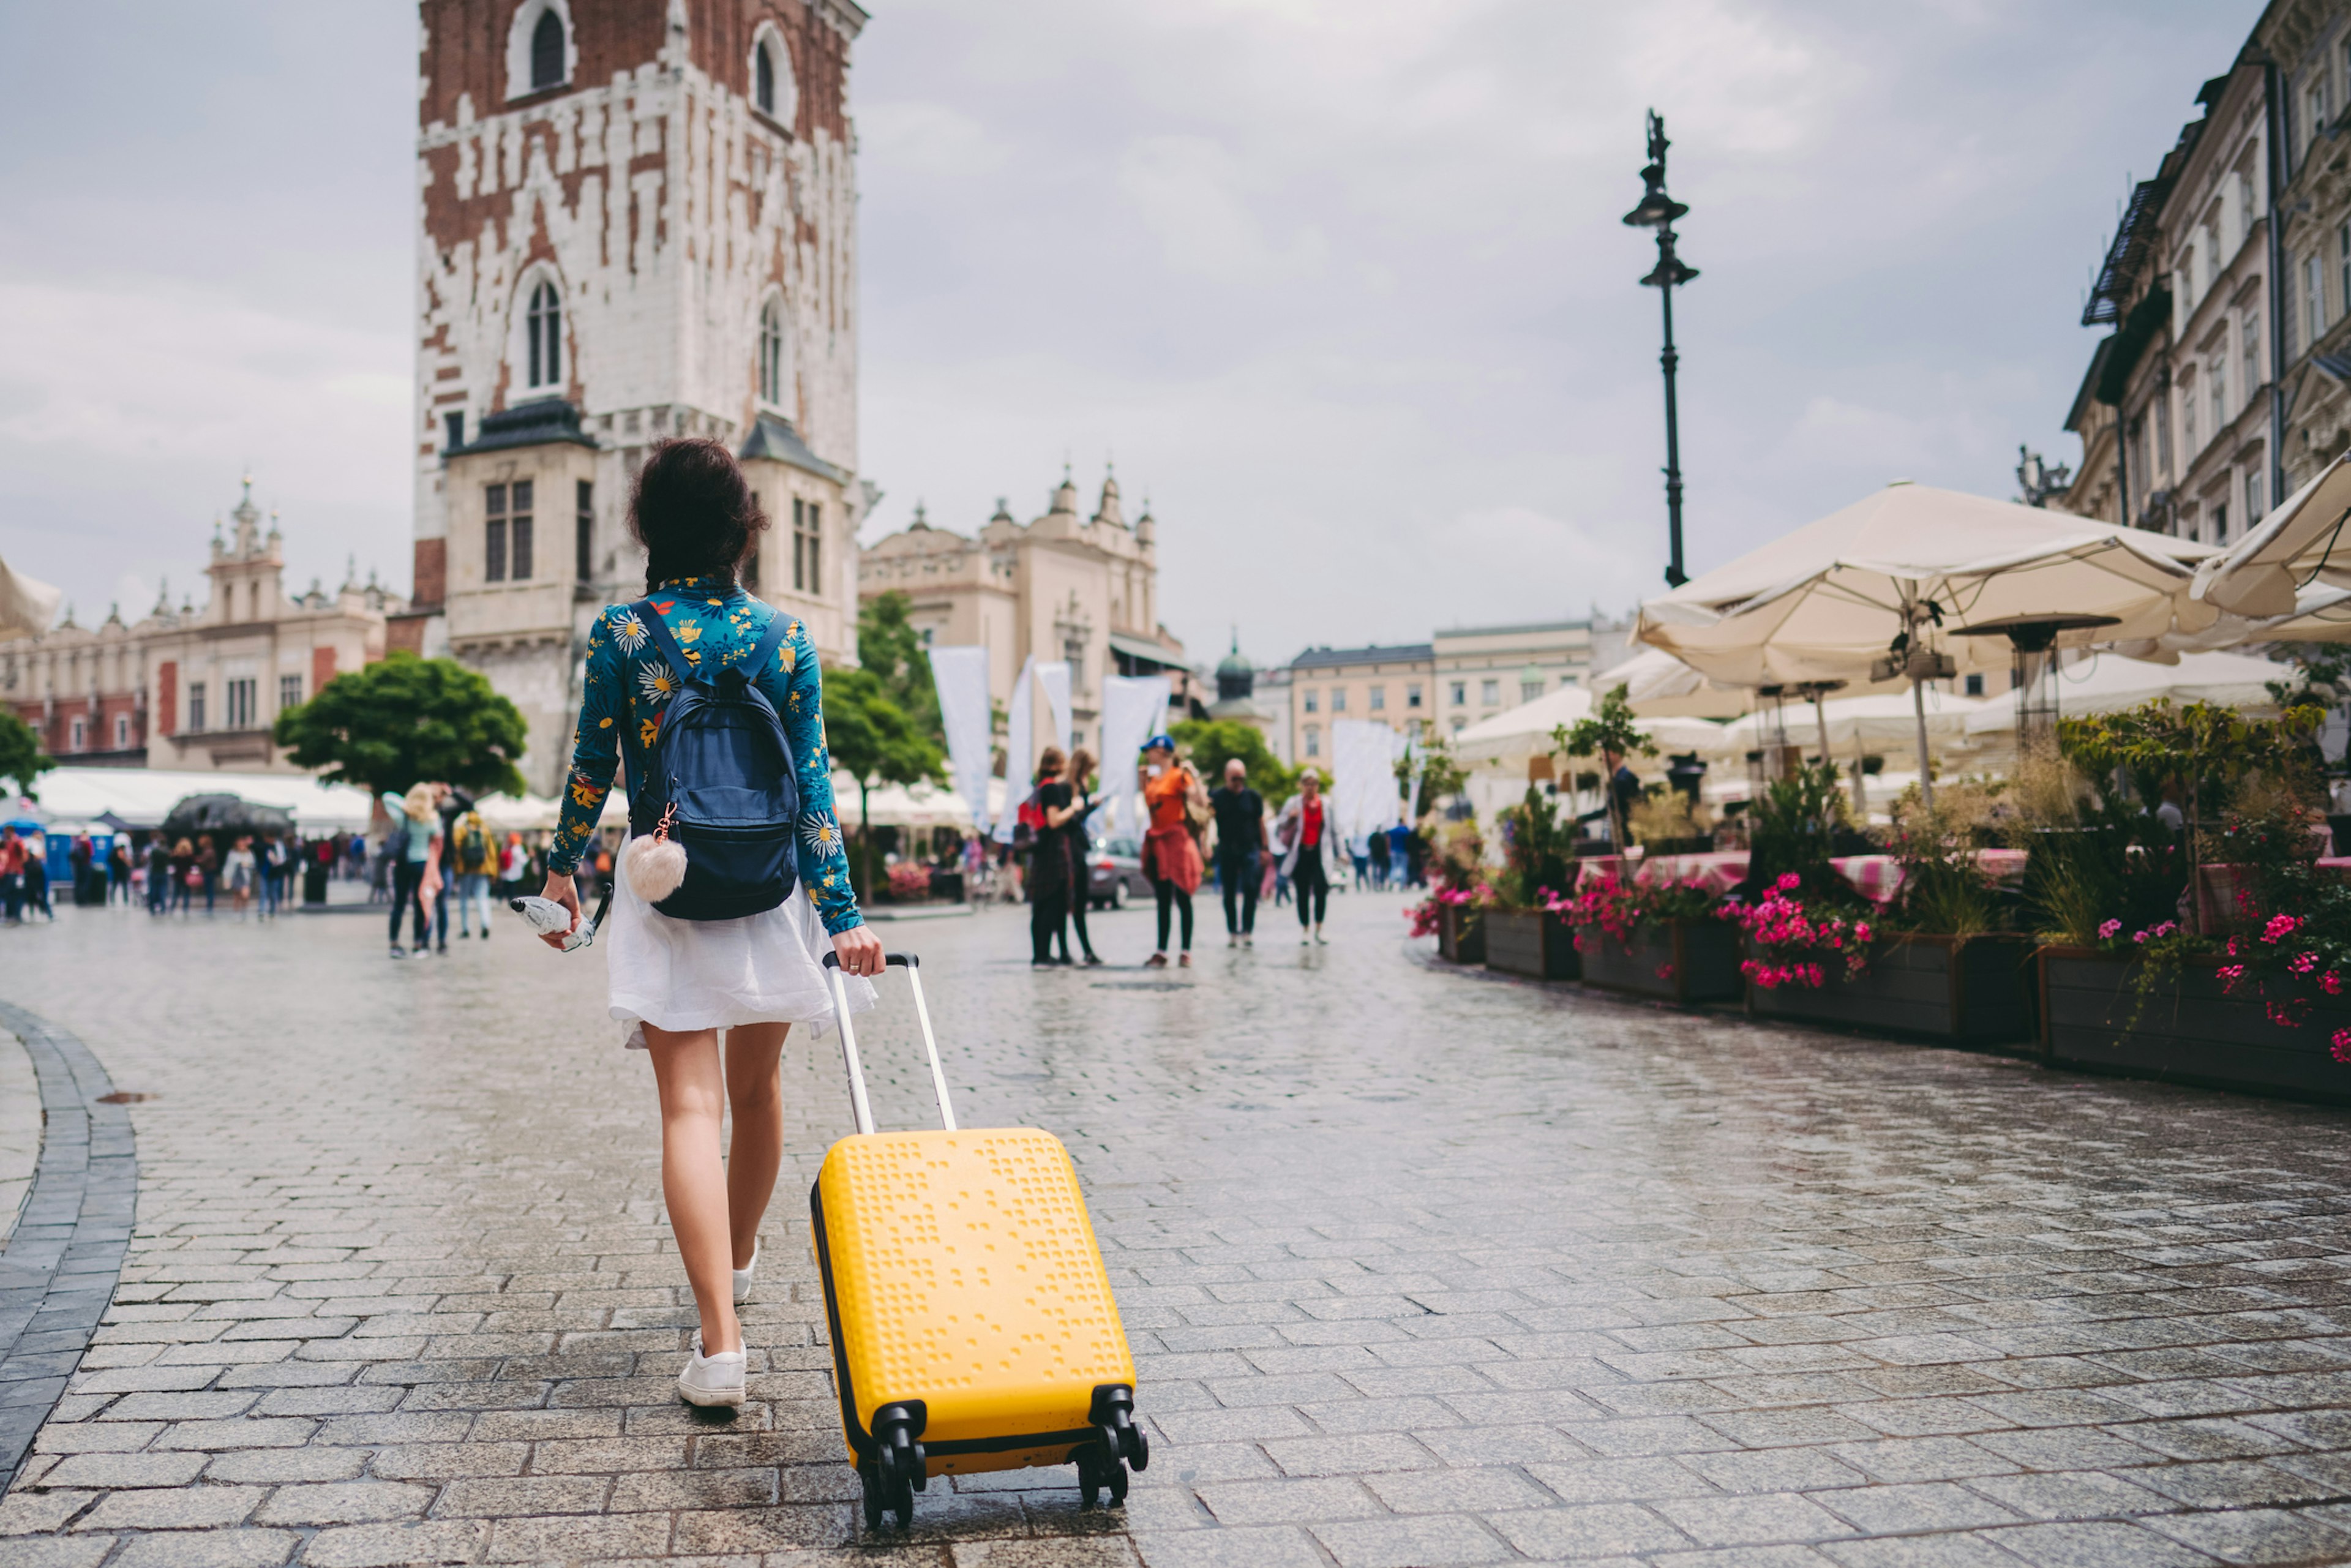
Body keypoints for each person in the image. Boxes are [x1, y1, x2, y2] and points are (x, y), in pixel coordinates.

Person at [533, 435, 883, 1410]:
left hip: (667, 882)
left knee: (691, 1110)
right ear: (744, 526)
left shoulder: (625, 633)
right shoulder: (786, 637)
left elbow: (589, 770)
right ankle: (734, 1259)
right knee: (759, 1091)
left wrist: (562, 869)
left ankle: (720, 1343)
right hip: (769, 886)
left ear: (649, 525)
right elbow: (814, 789)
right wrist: (844, 916)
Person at [1138, 735, 1204, 967]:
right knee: (1163, 898)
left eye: (1151, 750)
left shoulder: (1179, 775)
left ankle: (1186, 950)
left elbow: (1199, 800)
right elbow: (1151, 807)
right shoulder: (1154, 779)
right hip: (1158, 841)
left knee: (1183, 895)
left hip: (1176, 840)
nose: (1147, 754)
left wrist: (1193, 775)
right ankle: (1162, 950)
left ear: (1163, 751)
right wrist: (1142, 782)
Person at [1275, 768, 1340, 943]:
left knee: (1321, 890)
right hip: (1301, 853)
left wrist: (1341, 852)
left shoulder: (1326, 804)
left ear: (1318, 786)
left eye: (1313, 784)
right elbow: (1279, 825)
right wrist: (1290, 817)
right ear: (1301, 785)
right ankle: (1305, 928)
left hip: (1320, 854)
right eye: (1307, 784)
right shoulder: (1294, 803)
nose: (1310, 787)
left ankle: (1319, 927)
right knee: (1302, 892)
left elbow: (1335, 831)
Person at [1027, 748, 1077, 967]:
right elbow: (1054, 820)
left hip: (1039, 850)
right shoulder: (1052, 789)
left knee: (1039, 905)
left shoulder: (1038, 786)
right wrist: (1073, 809)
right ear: (1059, 764)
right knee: (1050, 903)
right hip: (1053, 852)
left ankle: (1039, 954)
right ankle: (1044, 955)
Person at [1208, 757, 1264, 947]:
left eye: (1241, 778)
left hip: (1249, 849)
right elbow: (1206, 820)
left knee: (1250, 888)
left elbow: (1260, 823)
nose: (1238, 782)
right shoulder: (1217, 797)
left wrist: (1265, 848)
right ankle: (1233, 931)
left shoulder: (1253, 797)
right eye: (1234, 778)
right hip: (1227, 849)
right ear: (1227, 777)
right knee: (1229, 892)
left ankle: (1247, 930)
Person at [379, 784, 440, 958]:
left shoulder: (403, 817)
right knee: (420, 904)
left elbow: (387, 796)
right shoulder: (432, 818)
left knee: (399, 904)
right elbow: (437, 834)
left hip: (403, 863)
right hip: (422, 863)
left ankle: (394, 944)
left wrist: (407, 803)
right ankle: (419, 944)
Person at [1060, 749, 1103, 964]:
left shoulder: (1081, 786)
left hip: (1078, 849)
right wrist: (1090, 808)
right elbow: (1073, 820)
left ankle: (1084, 950)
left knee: (1079, 902)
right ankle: (1068, 951)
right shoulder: (1068, 788)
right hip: (1071, 852)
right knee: (1072, 901)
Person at [450, 805, 497, 939]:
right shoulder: (485, 830)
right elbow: (492, 852)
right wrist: (493, 872)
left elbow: (456, 849)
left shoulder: (462, 829)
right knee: (483, 898)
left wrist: (455, 870)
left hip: (465, 869)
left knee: (464, 899)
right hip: (483, 869)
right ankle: (485, 924)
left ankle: (466, 929)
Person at [224, 835, 258, 918]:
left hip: (246, 876)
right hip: (236, 875)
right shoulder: (232, 854)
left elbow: (253, 864)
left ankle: (244, 912)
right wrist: (227, 879)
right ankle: (237, 913)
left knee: (245, 895)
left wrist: (247, 865)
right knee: (237, 896)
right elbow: (229, 866)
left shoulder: (249, 853)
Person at [22, 838, 52, 921]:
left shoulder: (36, 864)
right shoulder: (36, 863)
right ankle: (48, 914)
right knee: (35, 900)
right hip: (35, 886)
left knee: (41, 900)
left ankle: (49, 915)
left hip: (38, 885)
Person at [0, 828, 23, 924]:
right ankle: (10, 915)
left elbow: (22, 857)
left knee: (15, 895)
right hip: (8, 872)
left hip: (16, 873)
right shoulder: (7, 843)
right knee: (8, 895)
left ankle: (16, 915)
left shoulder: (18, 843)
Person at [146, 836, 171, 915]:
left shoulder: (154, 851)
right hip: (163, 872)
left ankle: (152, 907)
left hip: (154, 872)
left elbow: (150, 859)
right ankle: (163, 908)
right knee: (162, 891)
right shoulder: (166, 852)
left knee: (153, 890)